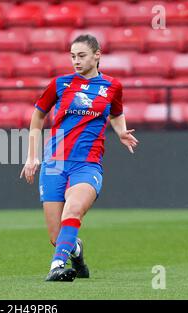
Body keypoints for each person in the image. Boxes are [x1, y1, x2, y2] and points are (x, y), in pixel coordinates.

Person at [20, 34, 139, 282]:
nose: (76, 60)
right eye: (73, 56)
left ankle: (57, 266)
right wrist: (32, 157)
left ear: (97, 55)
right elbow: (37, 117)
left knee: (73, 209)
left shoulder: (112, 86)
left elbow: (116, 113)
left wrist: (121, 132)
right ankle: (76, 252)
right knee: (57, 236)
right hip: (54, 163)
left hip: (87, 164)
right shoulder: (59, 84)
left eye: (82, 55)